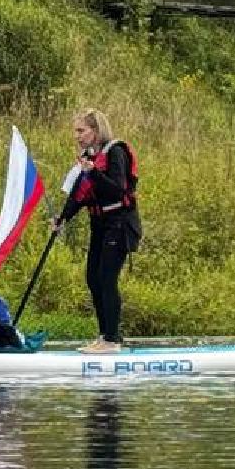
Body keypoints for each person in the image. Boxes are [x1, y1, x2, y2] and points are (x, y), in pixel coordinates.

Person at [50, 109, 141, 353]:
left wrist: (93, 173)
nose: (76, 136)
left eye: (81, 130)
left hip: (120, 223)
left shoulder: (115, 152)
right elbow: (79, 195)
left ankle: (112, 340)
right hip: (100, 225)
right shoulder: (89, 158)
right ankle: (104, 337)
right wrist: (63, 218)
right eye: (75, 131)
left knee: (106, 279)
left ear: (96, 130)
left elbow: (117, 190)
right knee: (93, 278)